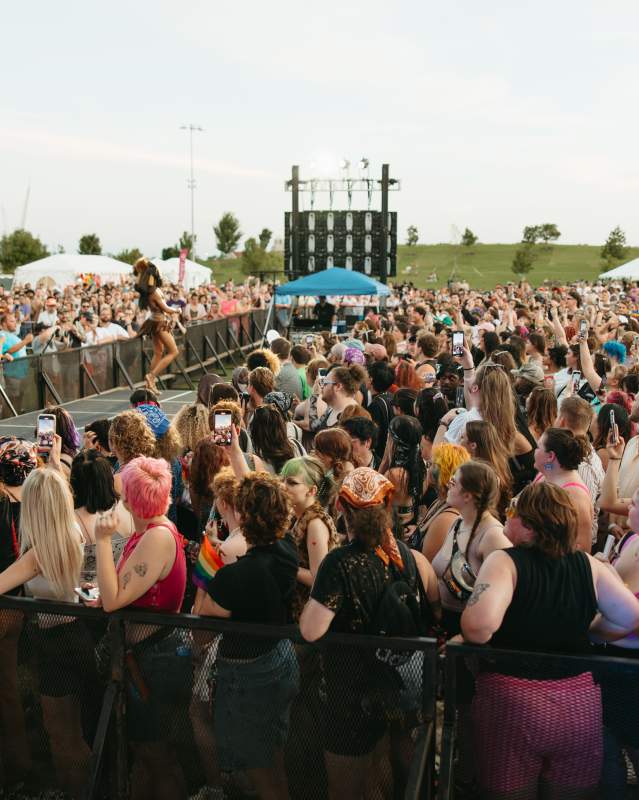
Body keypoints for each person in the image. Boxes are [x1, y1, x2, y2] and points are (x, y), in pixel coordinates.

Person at [461, 482, 639, 800]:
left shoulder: (505, 562)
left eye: (513, 512)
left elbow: (478, 627)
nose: (506, 517)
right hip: (577, 705)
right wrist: (593, 630)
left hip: (512, 704)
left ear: (528, 524)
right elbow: (629, 616)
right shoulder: (587, 564)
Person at [300, 468, 440, 800]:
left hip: (350, 695)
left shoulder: (339, 564)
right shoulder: (407, 556)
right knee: (383, 773)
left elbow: (310, 629)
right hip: (393, 689)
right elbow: (433, 611)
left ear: (343, 510)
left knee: (346, 789)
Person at [194, 472, 300, 800]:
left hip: (249, 673)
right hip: (281, 657)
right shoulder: (287, 549)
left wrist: (207, 558)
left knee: (261, 770)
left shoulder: (236, 577)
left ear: (242, 516)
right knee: (273, 759)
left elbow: (203, 611)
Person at [93, 456, 189, 800]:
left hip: (154, 661)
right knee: (145, 752)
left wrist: (102, 540)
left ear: (133, 499)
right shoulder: (150, 531)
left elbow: (112, 599)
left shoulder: (156, 537)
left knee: (156, 754)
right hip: (147, 657)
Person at [0, 465, 94, 798]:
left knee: (61, 734)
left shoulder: (37, 555)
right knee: (73, 730)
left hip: (56, 641)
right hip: (74, 634)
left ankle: (76, 792)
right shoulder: (72, 531)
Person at [0, 437, 38, 784]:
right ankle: (20, 762)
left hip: (3, 601)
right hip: (19, 604)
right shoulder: (34, 504)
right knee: (9, 689)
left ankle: (17, 764)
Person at [281, 456, 339, 620]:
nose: (283, 487)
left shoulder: (315, 524)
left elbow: (317, 579)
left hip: (307, 618)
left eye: (292, 483)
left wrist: (282, 564)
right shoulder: (295, 514)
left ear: (312, 490)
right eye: (282, 480)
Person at [534, 427, 594, 552]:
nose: (534, 451)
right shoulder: (543, 474)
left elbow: (582, 548)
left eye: (538, 447)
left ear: (550, 456)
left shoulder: (575, 496)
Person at [409, 442, 471, 561]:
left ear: (441, 472)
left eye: (431, 465)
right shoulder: (441, 501)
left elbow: (424, 563)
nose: (428, 468)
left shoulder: (446, 519)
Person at [133, 257, 181, 392]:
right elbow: (167, 309)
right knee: (173, 351)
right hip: (159, 323)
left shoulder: (153, 290)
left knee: (158, 352)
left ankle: (149, 385)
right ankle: (151, 376)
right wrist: (178, 309)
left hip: (156, 321)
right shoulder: (153, 292)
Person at [381, 415, 425, 534]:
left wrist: (386, 457)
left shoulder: (394, 474)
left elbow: (373, 495)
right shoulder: (420, 465)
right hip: (409, 524)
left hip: (394, 530)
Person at [460, 420, 512, 519]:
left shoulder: (481, 475)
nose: (459, 441)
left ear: (473, 445)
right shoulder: (497, 467)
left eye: (462, 437)